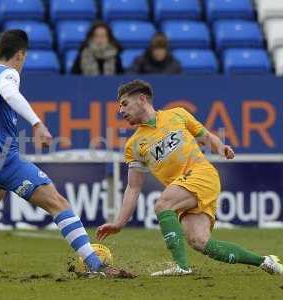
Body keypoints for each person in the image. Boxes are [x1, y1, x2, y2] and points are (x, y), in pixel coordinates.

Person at [0, 29, 133, 279]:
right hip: (3, 159)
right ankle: (95, 263)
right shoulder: (8, 74)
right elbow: (10, 94)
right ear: (21, 55)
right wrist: (37, 123)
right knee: (58, 203)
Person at [96, 79, 283, 276]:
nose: (120, 110)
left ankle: (181, 267)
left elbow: (207, 136)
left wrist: (220, 147)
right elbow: (133, 188)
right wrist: (119, 222)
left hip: (202, 174)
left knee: (163, 205)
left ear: (142, 99)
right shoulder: (133, 145)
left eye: (124, 103)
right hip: (185, 188)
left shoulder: (177, 114)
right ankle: (265, 262)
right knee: (200, 242)